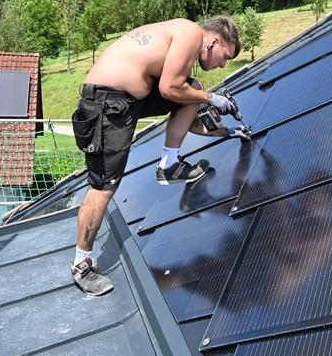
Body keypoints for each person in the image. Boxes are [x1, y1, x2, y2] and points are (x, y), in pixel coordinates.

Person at [70, 16, 249, 295]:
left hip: (126, 100)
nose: (223, 65)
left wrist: (227, 132)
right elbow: (169, 89)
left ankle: (169, 165)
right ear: (213, 41)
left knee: (195, 90)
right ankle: (82, 264)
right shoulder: (191, 34)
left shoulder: (179, 37)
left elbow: (185, 108)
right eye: (224, 57)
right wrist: (213, 99)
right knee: (103, 187)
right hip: (106, 104)